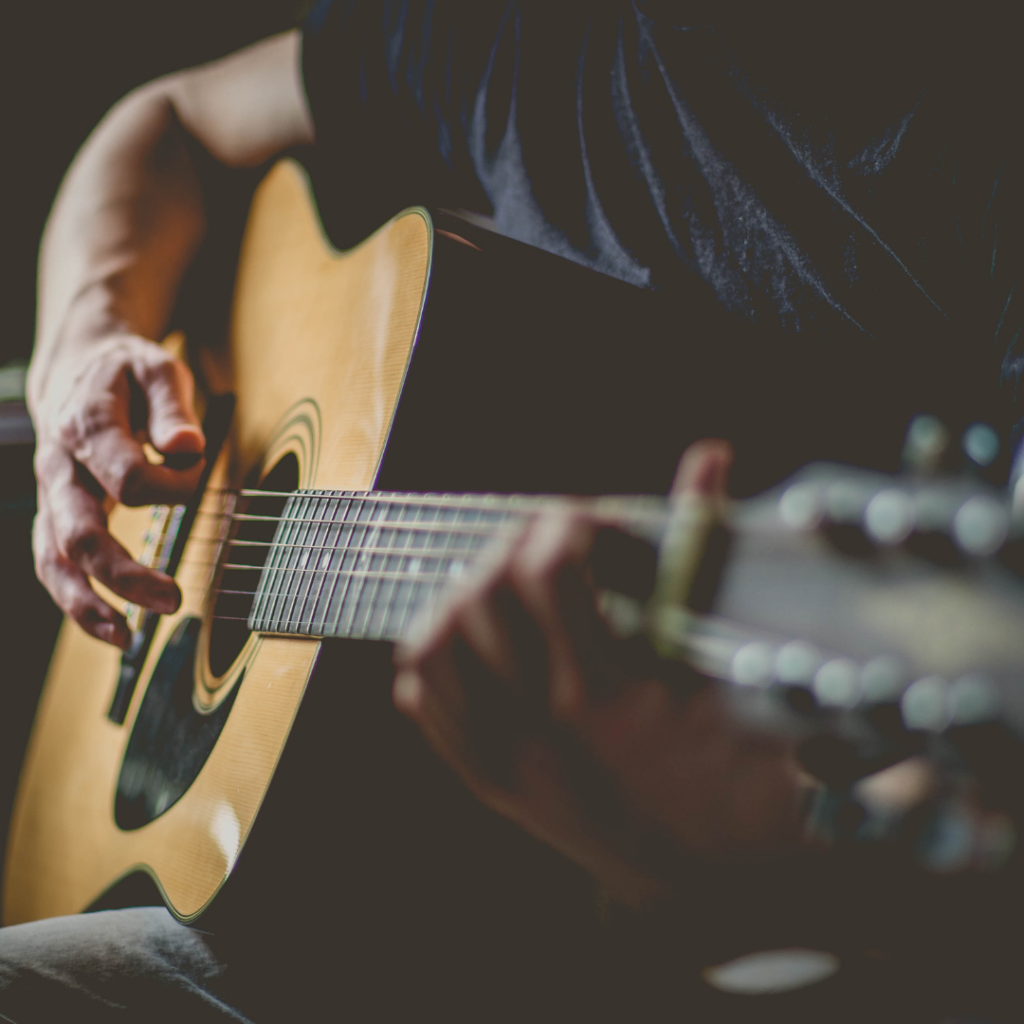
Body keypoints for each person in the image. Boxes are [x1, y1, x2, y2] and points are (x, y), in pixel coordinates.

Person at [3, 4, 1021, 1021]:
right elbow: (168, 122)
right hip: (377, 872)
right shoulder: (509, 40)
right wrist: (85, 346)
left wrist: (755, 870)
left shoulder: (960, 120)